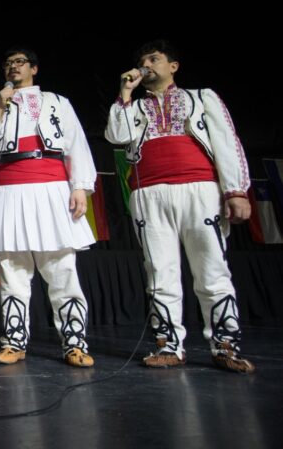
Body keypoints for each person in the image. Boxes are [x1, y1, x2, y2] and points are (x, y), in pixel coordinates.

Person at [105, 39, 254, 373]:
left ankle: (225, 345)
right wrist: (125, 93)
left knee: (212, 270)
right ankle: (169, 344)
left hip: (199, 189)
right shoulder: (135, 107)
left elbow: (227, 143)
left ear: (173, 66)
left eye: (154, 58)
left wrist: (236, 191)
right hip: (149, 193)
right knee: (160, 272)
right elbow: (116, 135)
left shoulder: (201, 97)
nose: (146, 64)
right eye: (142, 60)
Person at [0, 47, 97, 367]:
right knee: (13, 272)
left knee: (62, 270)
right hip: (10, 190)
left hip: (51, 188)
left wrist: (80, 187)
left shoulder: (57, 102)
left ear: (34, 69)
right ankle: (15, 341)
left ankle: (74, 343)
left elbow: (76, 143)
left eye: (20, 62)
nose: (13, 67)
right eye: (8, 63)